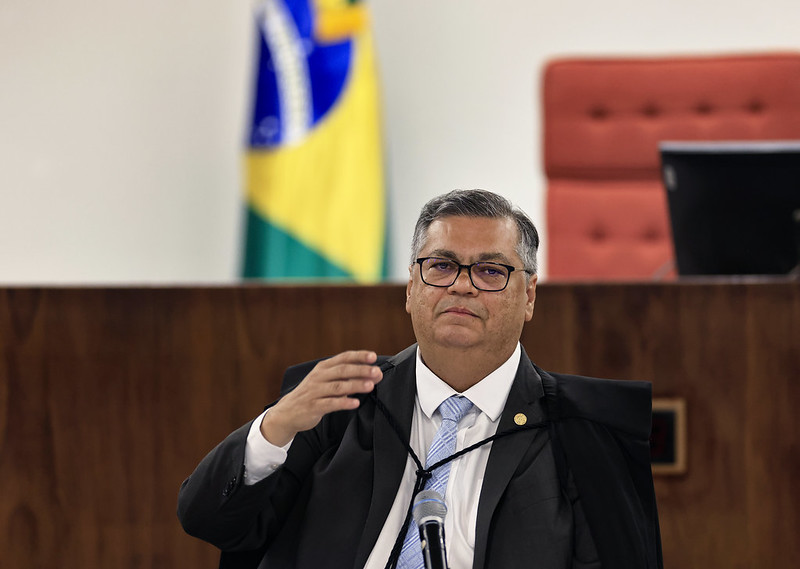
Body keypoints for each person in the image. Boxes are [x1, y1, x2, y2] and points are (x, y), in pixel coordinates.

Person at [178, 189, 663, 569]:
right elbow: (209, 523)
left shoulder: (583, 430)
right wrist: (274, 429)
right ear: (412, 287)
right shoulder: (337, 402)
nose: (462, 285)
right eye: (442, 266)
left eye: (490, 271)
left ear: (529, 295)